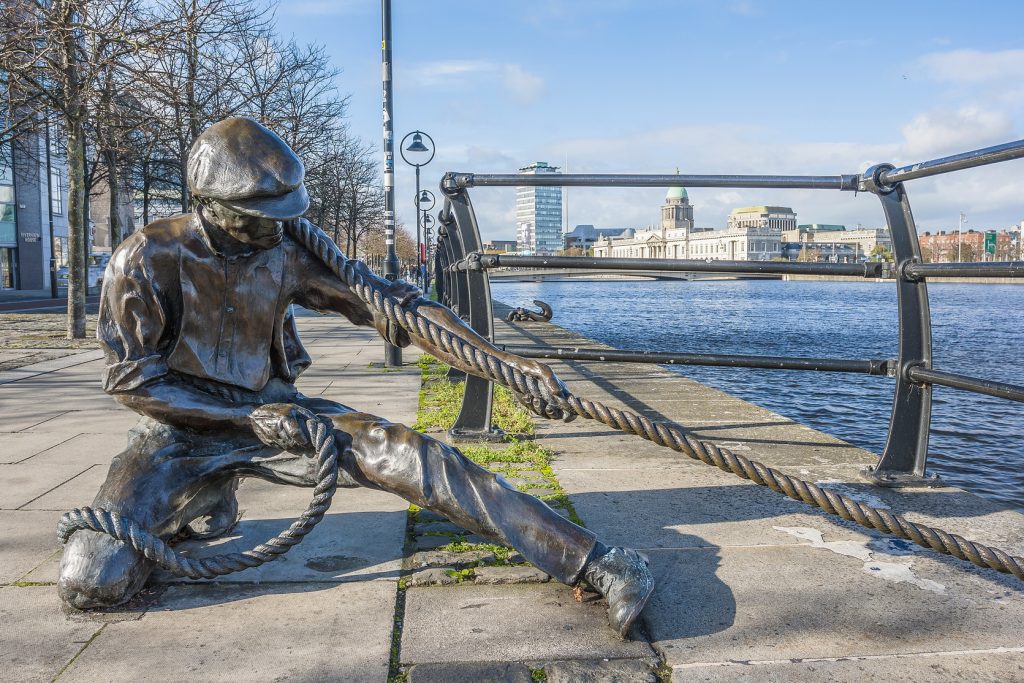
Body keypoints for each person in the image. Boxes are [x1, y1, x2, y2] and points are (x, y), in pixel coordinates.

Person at [58, 117, 654, 638]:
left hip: (286, 418)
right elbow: (133, 381)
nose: (276, 228)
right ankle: (187, 502)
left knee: (416, 457)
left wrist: (505, 366)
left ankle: (596, 563)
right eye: (258, 218)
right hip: (180, 434)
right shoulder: (145, 257)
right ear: (206, 202)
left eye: (285, 214)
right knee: (90, 582)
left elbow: (399, 309)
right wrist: (241, 420)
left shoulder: (289, 247)